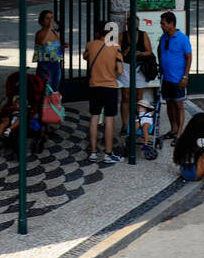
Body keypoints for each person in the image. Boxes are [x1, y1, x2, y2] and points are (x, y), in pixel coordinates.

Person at [82, 20, 123, 164]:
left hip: (94, 86)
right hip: (110, 87)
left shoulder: (91, 44)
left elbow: (85, 56)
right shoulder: (115, 47)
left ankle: (93, 152)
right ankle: (108, 153)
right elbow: (120, 70)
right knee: (109, 119)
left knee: (94, 118)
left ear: (97, 32)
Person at [116, 15, 155, 149]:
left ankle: (138, 122)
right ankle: (125, 124)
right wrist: (124, 52)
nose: (134, 28)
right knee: (125, 96)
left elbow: (149, 52)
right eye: (131, 25)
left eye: (136, 25)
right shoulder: (122, 36)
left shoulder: (143, 35)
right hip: (126, 67)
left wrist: (140, 53)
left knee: (139, 97)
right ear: (127, 25)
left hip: (139, 68)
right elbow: (116, 52)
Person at [157, 11, 192, 139]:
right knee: (170, 105)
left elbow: (188, 57)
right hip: (166, 78)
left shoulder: (182, 38)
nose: (161, 26)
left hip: (178, 78)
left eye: (163, 23)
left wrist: (185, 77)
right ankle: (173, 129)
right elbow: (159, 50)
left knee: (179, 105)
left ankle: (180, 133)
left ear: (171, 23)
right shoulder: (163, 37)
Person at [33, 10, 63, 93]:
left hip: (55, 63)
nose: (50, 21)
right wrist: (49, 29)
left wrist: (62, 45)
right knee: (45, 88)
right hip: (45, 64)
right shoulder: (40, 33)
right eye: (47, 18)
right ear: (42, 21)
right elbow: (42, 42)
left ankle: (53, 104)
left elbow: (57, 45)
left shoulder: (55, 33)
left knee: (55, 87)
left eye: (52, 18)